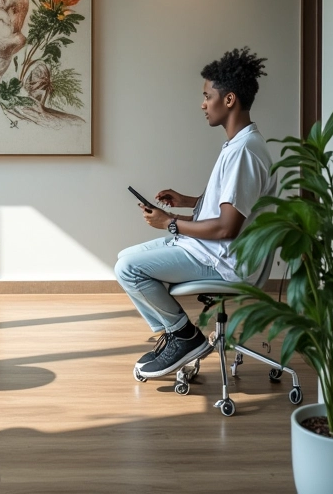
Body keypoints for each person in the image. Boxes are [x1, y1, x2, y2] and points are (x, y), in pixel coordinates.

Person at [114, 47, 277, 380]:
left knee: (128, 269)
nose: (203, 104)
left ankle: (183, 336)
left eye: (207, 96)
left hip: (223, 260)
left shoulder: (244, 152)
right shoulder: (239, 145)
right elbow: (230, 207)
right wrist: (187, 201)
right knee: (124, 259)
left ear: (229, 100)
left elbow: (227, 227)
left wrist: (170, 223)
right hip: (212, 250)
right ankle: (177, 335)